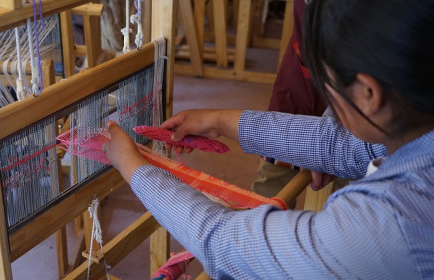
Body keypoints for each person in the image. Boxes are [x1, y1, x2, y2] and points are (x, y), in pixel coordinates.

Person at [102, 0, 434, 278]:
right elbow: (340, 143)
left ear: (368, 93)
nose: (326, 101)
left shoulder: (391, 223)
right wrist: (218, 121)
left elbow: (225, 244)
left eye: (326, 84)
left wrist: (132, 165)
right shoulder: (416, 129)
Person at [251, 0, 328, 201]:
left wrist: (331, 140)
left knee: (354, 182)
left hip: (362, 81)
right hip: (302, 76)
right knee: (273, 182)